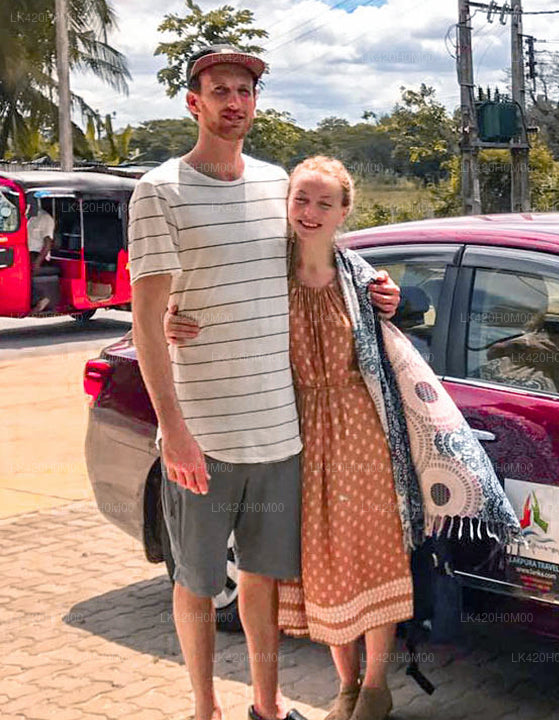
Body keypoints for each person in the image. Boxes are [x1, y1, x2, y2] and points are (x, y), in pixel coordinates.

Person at [126, 45, 400, 720]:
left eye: (244, 91)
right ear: (194, 103)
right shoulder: (159, 190)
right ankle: (204, 709)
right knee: (194, 582)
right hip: (204, 434)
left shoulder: (275, 183)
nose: (233, 102)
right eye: (219, 90)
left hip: (280, 431)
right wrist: (178, 431)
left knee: (263, 579)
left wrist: (377, 288)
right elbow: (146, 315)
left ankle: (268, 708)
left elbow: (318, 251)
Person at [165, 156, 416, 720]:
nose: (309, 212)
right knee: (319, 562)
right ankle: (346, 683)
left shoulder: (364, 279)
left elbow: (399, 331)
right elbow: (206, 305)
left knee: (372, 553)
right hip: (289, 429)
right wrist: (168, 321)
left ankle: (376, 684)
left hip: (360, 431)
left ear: (344, 211)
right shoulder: (264, 273)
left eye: (324, 203)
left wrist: (400, 301)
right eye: (301, 199)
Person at [26, 199, 56, 312]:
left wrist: (38, 262)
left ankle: (41, 298)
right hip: (26, 252)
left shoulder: (45, 218)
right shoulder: (27, 216)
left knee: (25, 269)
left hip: (38, 254)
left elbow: (48, 243)